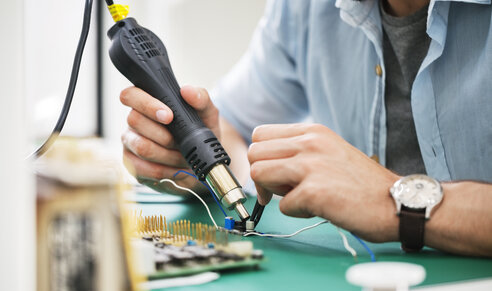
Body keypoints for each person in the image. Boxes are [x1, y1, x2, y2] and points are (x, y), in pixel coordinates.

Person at [119, 0, 492, 257]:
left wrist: (395, 201)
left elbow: (385, 198)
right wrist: (197, 161)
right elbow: (232, 126)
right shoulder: (304, 8)